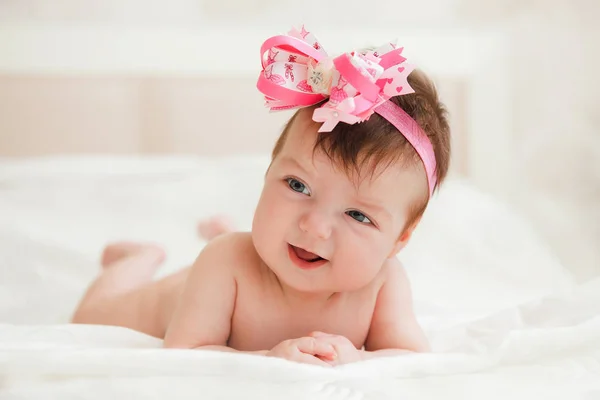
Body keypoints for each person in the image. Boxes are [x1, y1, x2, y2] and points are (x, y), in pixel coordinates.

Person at [72, 25, 451, 366]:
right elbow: (186, 353)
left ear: (399, 240)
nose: (315, 226)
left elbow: (412, 360)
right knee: (91, 313)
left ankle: (221, 228)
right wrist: (269, 358)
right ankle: (141, 256)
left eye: (357, 215)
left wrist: (358, 360)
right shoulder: (225, 264)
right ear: (269, 171)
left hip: (221, 272)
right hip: (176, 296)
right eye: (297, 186)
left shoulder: (383, 283)